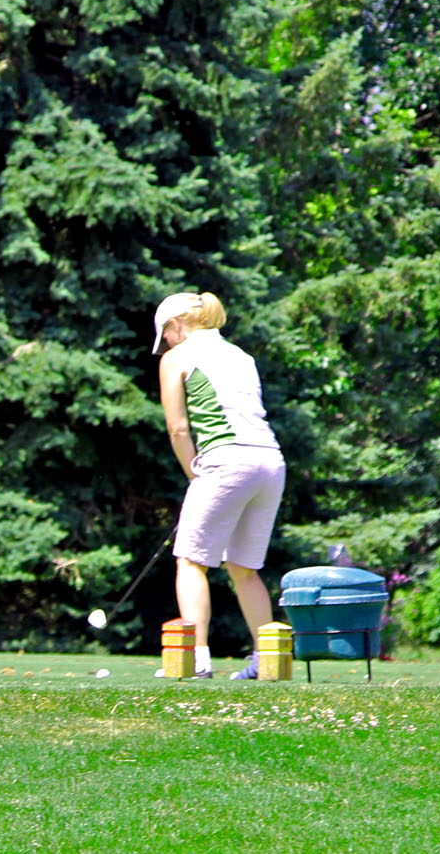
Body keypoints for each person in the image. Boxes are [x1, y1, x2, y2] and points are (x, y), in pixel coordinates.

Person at [150, 291, 285, 679]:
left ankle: (196, 661)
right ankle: (267, 662)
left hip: (226, 460)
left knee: (191, 562)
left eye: (166, 337)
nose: (166, 347)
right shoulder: (242, 356)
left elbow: (178, 428)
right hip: (271, 461)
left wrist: (194, 474)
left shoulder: (178, 358)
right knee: (244, 567)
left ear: (176, 326)